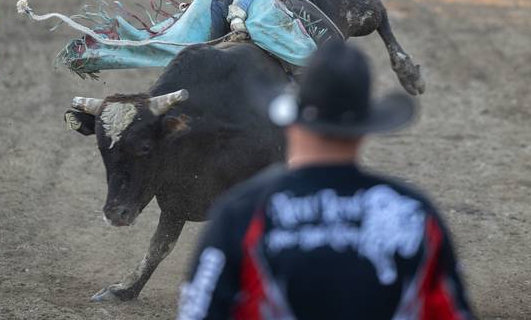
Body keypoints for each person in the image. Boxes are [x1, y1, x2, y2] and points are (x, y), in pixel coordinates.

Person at [177, 41, 473, 319]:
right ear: (364, 129)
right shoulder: (414, 213)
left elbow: (199, 312)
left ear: (291, 124)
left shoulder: (242, 213)